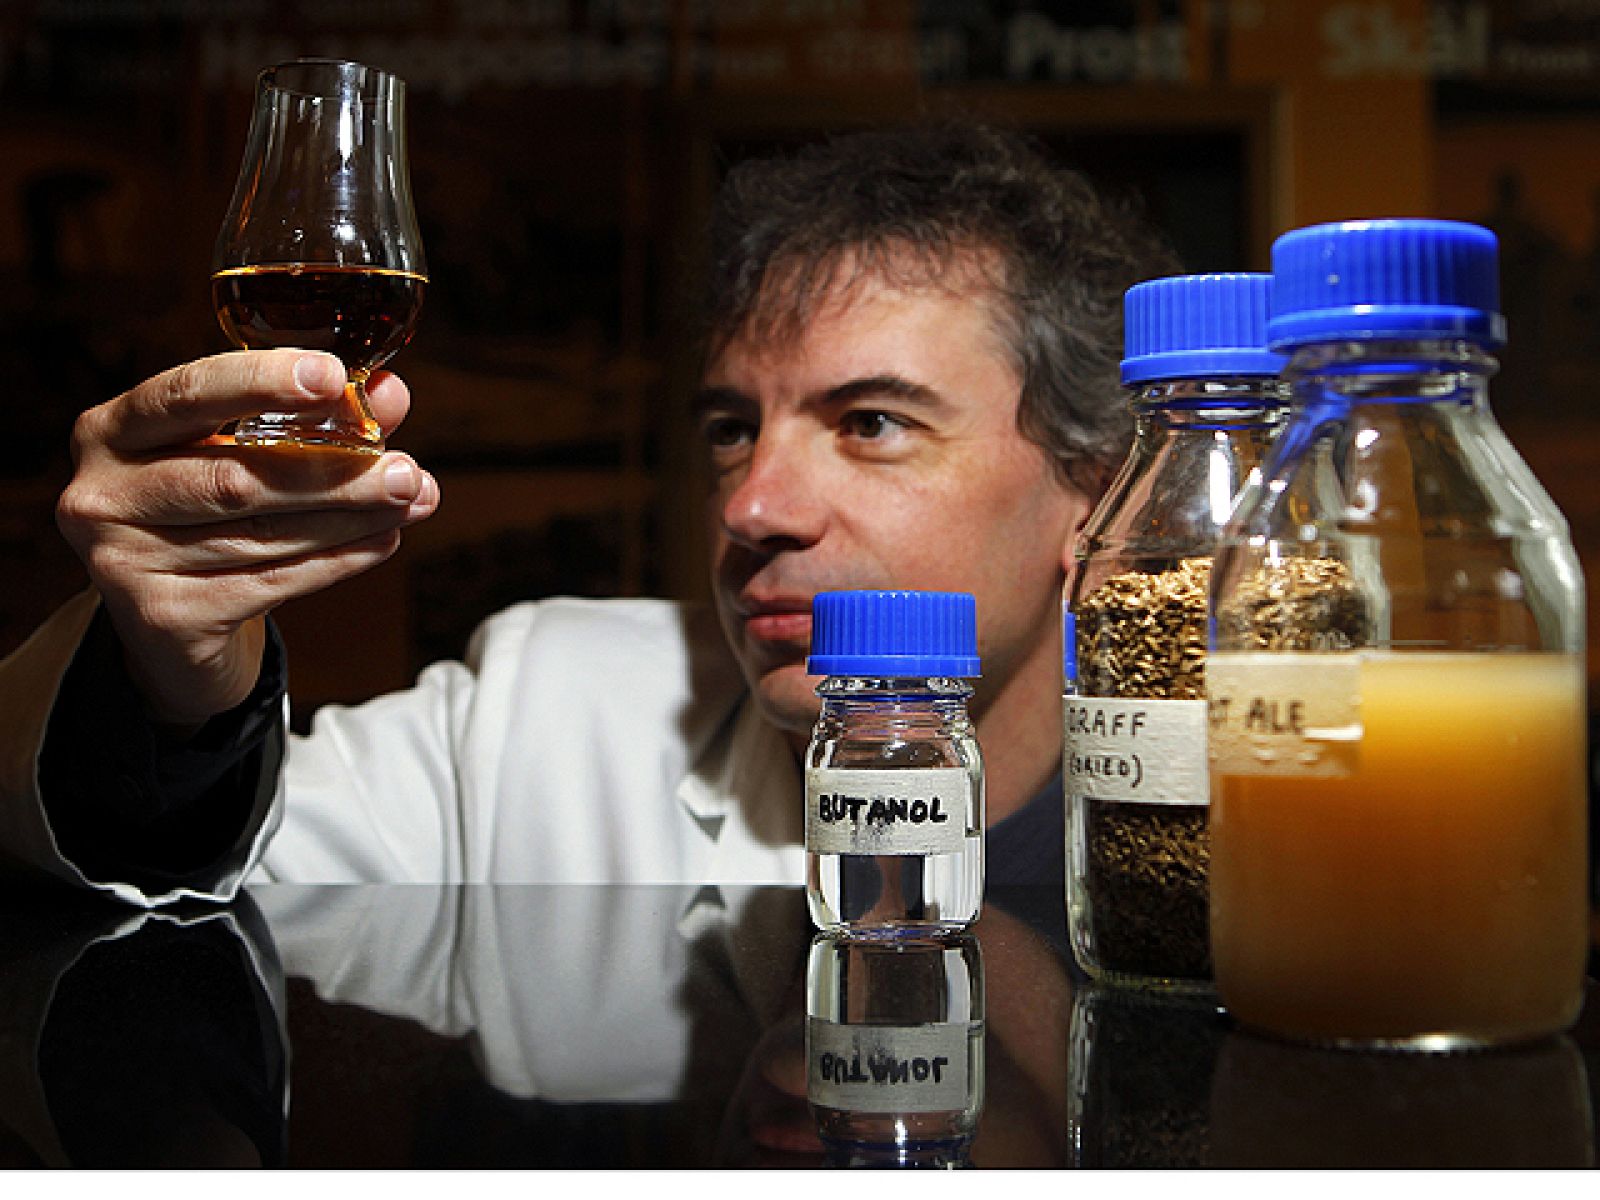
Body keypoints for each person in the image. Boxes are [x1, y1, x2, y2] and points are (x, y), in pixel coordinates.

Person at [0, 120, 1175, 906]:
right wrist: (165, 674)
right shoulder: (547, 717)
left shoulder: (1269, 821)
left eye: (871, 423)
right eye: (730, 430)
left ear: (1102, 487)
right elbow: (173, 882)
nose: (755, 505)